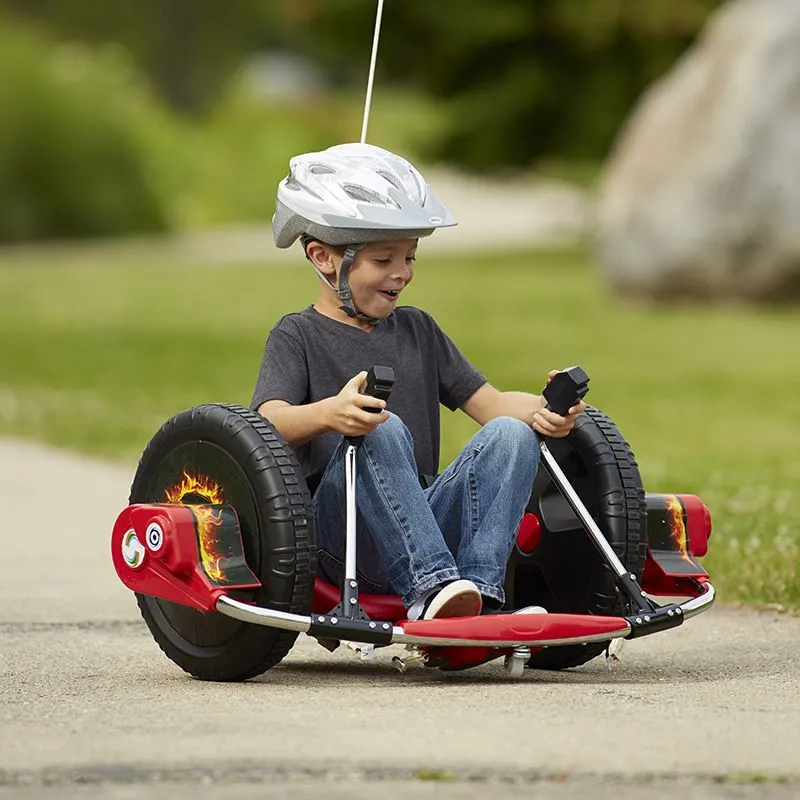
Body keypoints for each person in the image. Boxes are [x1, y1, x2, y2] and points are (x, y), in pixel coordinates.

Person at [251, 142, 586, 622]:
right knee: (378, 426)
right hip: (337, 543)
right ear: (324, 258)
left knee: (512, 434)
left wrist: (548, 407)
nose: (403, 273)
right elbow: (266, 421)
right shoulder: (296, 334)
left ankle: (478, 596)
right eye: (384, 259)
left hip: (419, 519)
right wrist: (330, 413)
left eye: (410, 257)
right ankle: (434, 590)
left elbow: (491, 405)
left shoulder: (418, 330)